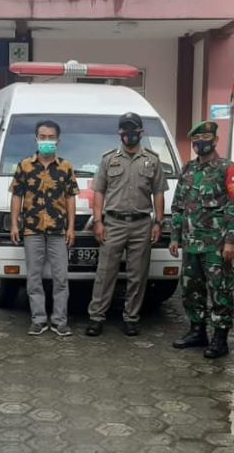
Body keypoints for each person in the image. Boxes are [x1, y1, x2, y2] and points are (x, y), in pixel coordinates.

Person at [85, 112, 167, 337]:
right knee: (105, 273)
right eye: (125, 130)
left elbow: (159, 193)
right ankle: (96, 317)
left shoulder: (153, 160)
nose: (129, 134)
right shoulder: (108, 159)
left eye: (133, 130)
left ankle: (131, 318)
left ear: (141, 132)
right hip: (113, 223)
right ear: (119, 132)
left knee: (137, 274)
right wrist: (98, 221)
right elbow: (99, 191)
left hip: (142, 224)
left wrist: (158, 222)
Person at [170, 120, 234, 359]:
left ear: (215, 140)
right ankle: (197, 332)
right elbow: (178, 205)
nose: (200, 143)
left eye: (205, 138)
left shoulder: (228, 169)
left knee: (220, 289)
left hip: (216, 245)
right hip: (191, 243)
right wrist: (175, 237)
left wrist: (230, 241)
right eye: (196, 139)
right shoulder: (188, 169)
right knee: (191, 289)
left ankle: (220, 339)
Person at [10, 120, 79, 336]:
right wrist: (14, 224)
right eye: (42, 137)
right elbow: (17, 196)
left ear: (58, 140)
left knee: (61, 278)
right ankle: (38, 319)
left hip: (58, 231)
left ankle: (59, 321)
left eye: (51, 137)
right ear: (36, 139)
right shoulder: (24, 166)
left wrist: (71, 228)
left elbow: (70, 198)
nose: (46, 141)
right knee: (34, 277)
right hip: (32, 229)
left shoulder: (66, 167)